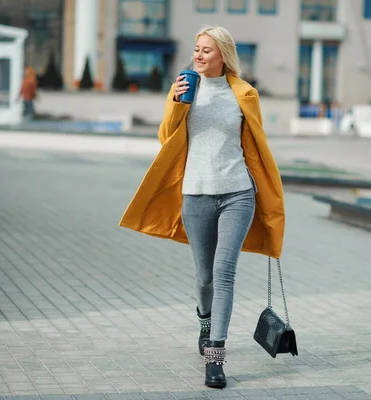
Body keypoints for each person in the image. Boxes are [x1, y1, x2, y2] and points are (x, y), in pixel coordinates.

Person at [119, 26, 285, 389]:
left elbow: (256, 144)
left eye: (206, 50)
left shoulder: (244, 93)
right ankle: (205, 319)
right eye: (196, 49)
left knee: (225, 274)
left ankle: (215, 355)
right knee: (205, 277)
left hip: (238, 192)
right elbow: (166, 138)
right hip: (195, 194)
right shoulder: (182, 87)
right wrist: (178, 104)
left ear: (223, 55)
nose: (198, 55)